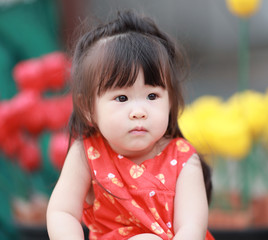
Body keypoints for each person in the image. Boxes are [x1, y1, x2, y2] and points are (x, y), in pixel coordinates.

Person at [46, 10, 214, 240]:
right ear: (88, 108)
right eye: (122, 98)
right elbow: (61, 211)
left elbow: (192, 227)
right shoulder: (86, 154)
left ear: (170, 101)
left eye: (152, 96)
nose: (138, 112)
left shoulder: (183, 159)